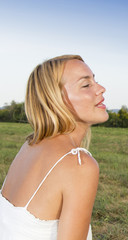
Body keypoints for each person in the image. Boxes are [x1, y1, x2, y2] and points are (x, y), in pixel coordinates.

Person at [0, 55, 109, 239]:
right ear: (56, 99)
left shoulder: (31, 144)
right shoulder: (79, 164)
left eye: (95, 80)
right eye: (86, 85)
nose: (101, 89)